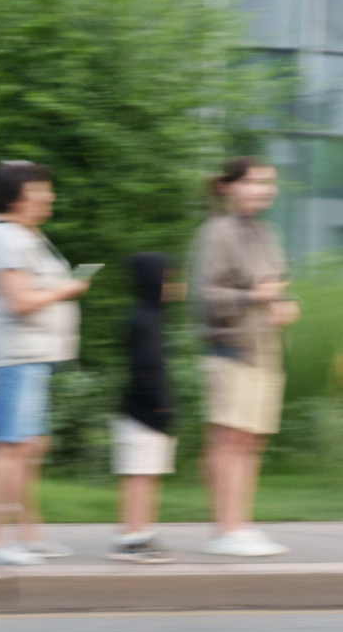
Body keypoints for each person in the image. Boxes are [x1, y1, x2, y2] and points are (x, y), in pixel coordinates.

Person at [0, 159, 87, 567]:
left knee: (28, 445)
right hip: (10, 356)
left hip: (30, 356)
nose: (49, 196)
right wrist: (65, 290)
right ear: (16, 196)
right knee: (9, 447)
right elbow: (18, 302)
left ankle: (28, 535)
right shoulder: (2, 237)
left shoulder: (23, 234)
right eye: (40, 189)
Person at [190, 157, 297, 558]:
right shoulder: (217, 232)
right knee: (229, 439)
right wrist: (253, 297)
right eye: (253, 182)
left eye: (268, 182)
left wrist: (282, 305)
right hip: (231, 348)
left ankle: (243, 525)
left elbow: (276, 287)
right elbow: (205, 297)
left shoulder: (265, 232)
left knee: (251, 441)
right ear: (228, 187)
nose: (263, 189)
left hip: (264, 349)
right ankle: (225, 529)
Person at [109, 252, 183, 564]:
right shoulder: (144, 320)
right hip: (142, 413)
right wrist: (161, 406)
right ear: (154, 281)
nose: (177, 286)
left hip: (147, 412)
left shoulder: (151, 317)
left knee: (148, 475)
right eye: (169, 279)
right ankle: (131, 537)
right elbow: (147, 369)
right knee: (139, 476)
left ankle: (143, 533)